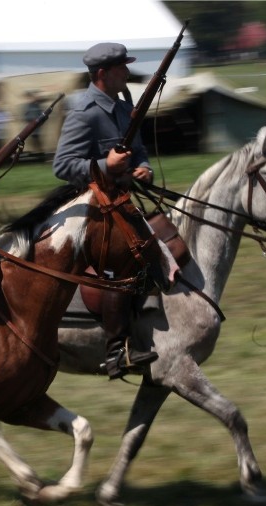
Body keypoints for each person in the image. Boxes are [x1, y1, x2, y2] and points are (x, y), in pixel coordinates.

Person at [52, 42, 157, 380]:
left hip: (122, 204)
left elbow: (138, 151)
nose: (126, 72)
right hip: (92, 209)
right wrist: (105, 165)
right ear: (102, 74)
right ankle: (117, 350)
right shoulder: (84, 111)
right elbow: (64, 166)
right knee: (121, 258)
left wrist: (143, 168)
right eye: (120, 68)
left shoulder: (125, 108)